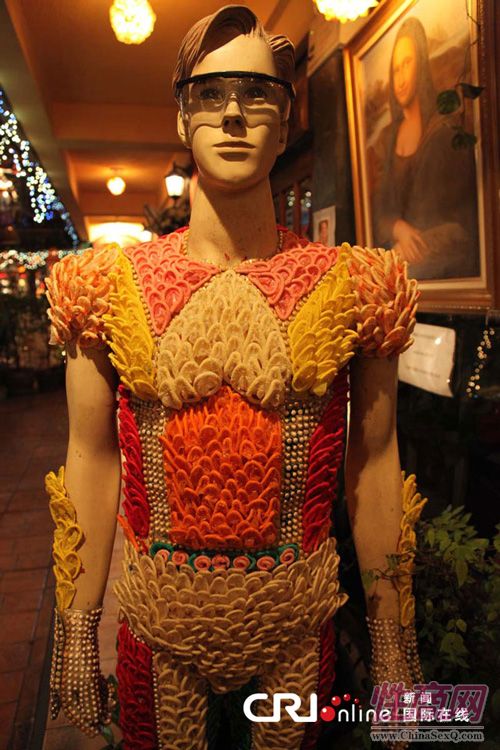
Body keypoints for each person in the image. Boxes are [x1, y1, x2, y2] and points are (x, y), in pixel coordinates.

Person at [44, 6, 425, 749]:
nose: (232, 115)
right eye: (209, 94)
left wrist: (391, 646)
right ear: (182, 119)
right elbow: (89, 456)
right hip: (160, 618)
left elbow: (375, 459)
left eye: (257, 94)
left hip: (295, 616)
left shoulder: (354, 285)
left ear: (285, 124)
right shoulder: (107, 285)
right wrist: (76, 635)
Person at [371, 16, 479, 280]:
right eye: (396, 69)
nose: (400, 78)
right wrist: (398, 227)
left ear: (420, 64)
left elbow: (461, 222)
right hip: (404, 264)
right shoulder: (387, 138)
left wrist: (408, 248)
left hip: (446, 266)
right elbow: (380, 210)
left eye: (407, 63)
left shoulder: (443, 132)